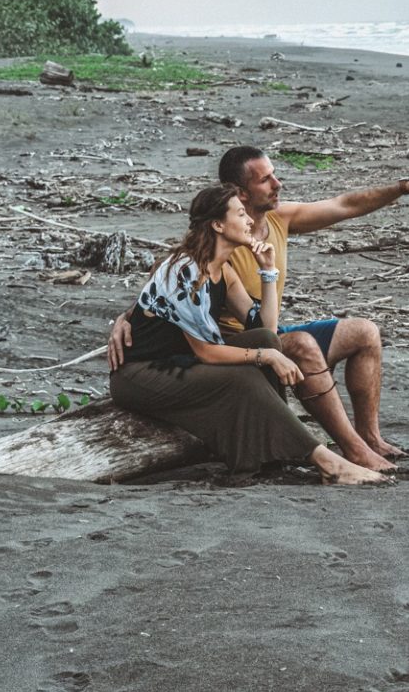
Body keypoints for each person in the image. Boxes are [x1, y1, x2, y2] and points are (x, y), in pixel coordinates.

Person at [109, 147, 409, 459]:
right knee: (303, 345)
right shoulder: (219, 242)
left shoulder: (279, 219)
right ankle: (351, 450)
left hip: (266, 328)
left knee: (365, 332)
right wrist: (124, 318)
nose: (278, 184)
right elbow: (167, 292)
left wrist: (403, 187)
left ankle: (370, 438)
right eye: (266, 180)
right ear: (240, 194)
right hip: (233, 344)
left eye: (275, 174)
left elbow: (345, 205)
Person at [108, 183, 389, 485]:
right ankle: (327, 462)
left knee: (267, 342)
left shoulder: (223, 271)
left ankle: (269, 457)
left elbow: (266, 330)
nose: (249, 221)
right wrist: (265, 357)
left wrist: (268, 272)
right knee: (244, 374)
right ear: (218, 224)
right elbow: (206, 352)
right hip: (141, 374)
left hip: (182, 361)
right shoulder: (184, 272)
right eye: (240, 214)